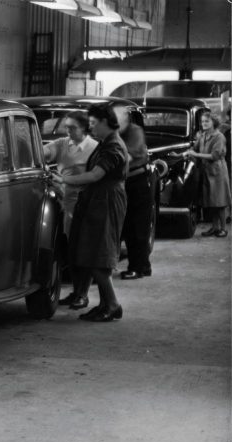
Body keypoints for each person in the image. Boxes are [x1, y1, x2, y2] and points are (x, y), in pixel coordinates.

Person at [55, 103, 128, 322]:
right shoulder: (106, 143)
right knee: (94, 254)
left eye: (94, 124)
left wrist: (64, 179)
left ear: (106, 122)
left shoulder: (113, 147)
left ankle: (112, 305)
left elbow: (95, 175)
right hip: (97, 200)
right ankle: (106, 304)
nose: (91, 128)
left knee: (98, 256)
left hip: (105, 201)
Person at [45, 111, 99, 310]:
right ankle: (76, 291)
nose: (68, 131)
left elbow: (95, 176)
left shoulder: (95, 148)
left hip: (83, 205)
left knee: (82, 250)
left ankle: (82, 294)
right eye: (66, 127)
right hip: (62, 202)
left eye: (72, 127)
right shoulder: (62, 144)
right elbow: (45, 152)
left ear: (84, 128)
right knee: (68, 250)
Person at [113, 104, 152, 280]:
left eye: (117, 119)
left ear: (125, 119)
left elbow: (126, 157)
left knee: (137, 227)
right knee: (129, 227)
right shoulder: (116, 133)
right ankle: (142, 266)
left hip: (137, 182)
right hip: (125, 183)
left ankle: (138, 267)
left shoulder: (134, 131)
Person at [184, 111, 230, 237]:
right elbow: (194, 149)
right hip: (207, 172)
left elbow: (214, 155)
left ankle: (223, 229)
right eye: (203, 121)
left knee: (220, 202)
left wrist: (195, 154)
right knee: (212, 202)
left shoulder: (219, 137)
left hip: (217, 172)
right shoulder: (203, 135)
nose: (204, 123)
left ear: (213, 122)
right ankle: (215, 227)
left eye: (207, 121)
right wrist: (182, 154)